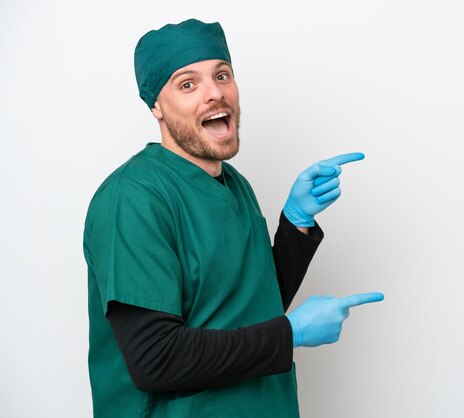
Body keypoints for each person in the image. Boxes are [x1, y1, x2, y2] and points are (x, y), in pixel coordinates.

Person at [83, 18, 383, 418]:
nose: (214, 94)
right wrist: (290, 333)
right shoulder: (133, 198)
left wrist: (296, 224)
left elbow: (250, 303)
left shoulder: (234, 184)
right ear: (156, 105)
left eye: (222, 75)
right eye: (188, 84)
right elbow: (155, 359)